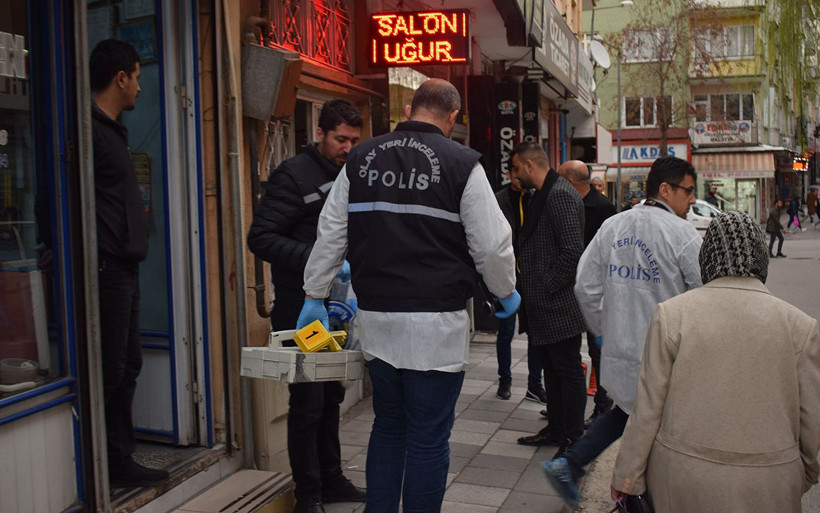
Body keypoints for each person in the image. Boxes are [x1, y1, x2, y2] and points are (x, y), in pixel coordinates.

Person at [296, 78, 518, 513]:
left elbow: (331, 231)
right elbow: (491, 245)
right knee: (428, 438)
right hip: (436, 327)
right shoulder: (462, 163)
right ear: (452, 117)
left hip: (378, 323)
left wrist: (313, 293)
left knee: (390, 427)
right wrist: (505, 291)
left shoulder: (359, 159)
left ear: (413, 107)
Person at [611, 211, 820, 513]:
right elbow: (811, 421)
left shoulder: (673, 315)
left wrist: (627, 477)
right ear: (762, 257)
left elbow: (647, 410)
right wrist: (805, 473)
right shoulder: (800, 326)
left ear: (706, 257)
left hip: (682, 477)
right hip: (770, 481)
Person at [541, 156, 703, 508]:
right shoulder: (683, 235)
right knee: (651, 427)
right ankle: (635, 494)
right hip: (665, 352)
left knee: (628, 414)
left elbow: (585, 286)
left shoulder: (614, 226)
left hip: (621, 348)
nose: (692, 199)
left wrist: (602, 331)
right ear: (665, 189)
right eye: (688, 191)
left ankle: (574, 465)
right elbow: (704, 293)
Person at [247, 99, 365, 513]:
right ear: (320, 134)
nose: (347, 147)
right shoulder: (293, 175)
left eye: (354, 140)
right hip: (302, 307)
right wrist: (320, 259)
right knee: (308, 403)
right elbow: (260, 238)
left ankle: (331, 479)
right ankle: (308, 494)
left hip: (341, 307)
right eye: (340, 139)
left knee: (332, 396)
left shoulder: (354, 175)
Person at [90, 39, 169, 488]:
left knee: (129, 362)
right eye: (137, 77)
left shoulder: (112, 130)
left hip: (125, 266)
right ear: (120, 78)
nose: (140, 87)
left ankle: (120, 453)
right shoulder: (91, 132)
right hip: (106, 268)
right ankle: (109, 460)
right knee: (112, 367)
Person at [509, 144, 587, 454]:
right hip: (545, 304)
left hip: (558, 305)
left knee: (567, 371)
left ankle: (572, 437)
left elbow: (572, 252)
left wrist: (545, 286)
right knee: (553, 372)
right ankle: (557, 429)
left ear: (529, 165)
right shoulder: (542, 194)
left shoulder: (561, 195)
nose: (513, 176)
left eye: (515, 168)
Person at [556, 160, 616, 427]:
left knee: (597, 350)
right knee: (568, 352)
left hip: (597, 291)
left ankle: (603, 407)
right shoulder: (564, 203)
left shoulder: (602, 208)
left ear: (570, 182)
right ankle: (565, 407)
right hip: (568, 289)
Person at [493, 178, 546, 402]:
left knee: (535, 334)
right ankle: (504, 380)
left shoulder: (536, 199)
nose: (518, 176)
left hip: (531, 275)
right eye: (513, 170)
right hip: (506, 276)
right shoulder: (499, 199)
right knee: (505, 333)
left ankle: (535, 384)